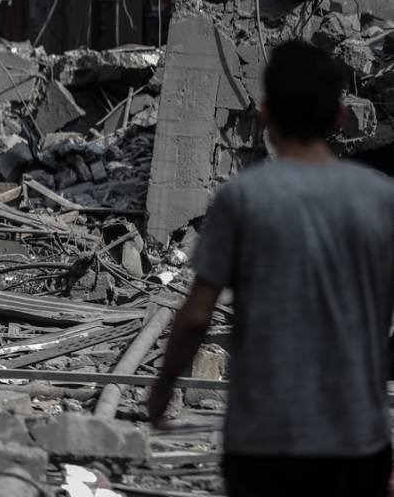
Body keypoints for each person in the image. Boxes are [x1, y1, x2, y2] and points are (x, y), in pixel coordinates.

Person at [147, 40, 394, 497]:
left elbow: (197, 315)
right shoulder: (381, 198)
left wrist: (162, 390)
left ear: (264, 115)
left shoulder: (242, 199)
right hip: (357, 436)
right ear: (340, 120)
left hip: (263, 439)